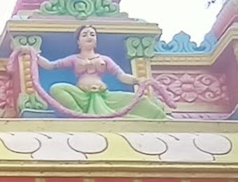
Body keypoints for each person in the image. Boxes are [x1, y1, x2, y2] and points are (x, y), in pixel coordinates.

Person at [36, 23, 168, 119]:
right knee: (56, 88)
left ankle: (160, 119)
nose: (89, 37)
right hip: (81, 97)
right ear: (78, 42)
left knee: (140, 100)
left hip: (105, 97)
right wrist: (35, 56)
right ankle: (81, 115)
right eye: (85, 35)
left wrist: (137, 80)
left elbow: (121, 75)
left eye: (92, 34)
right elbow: (50, 66)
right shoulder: (74, 59)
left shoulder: (104, 59)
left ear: (96, 40)